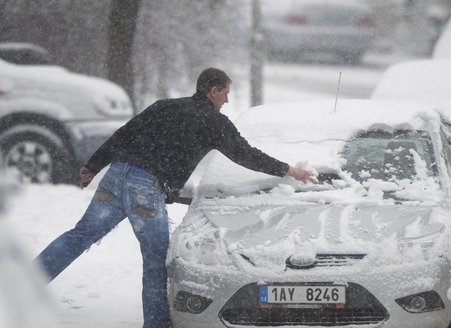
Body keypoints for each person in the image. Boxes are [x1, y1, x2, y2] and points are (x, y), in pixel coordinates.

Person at [34, 67, 315, 328]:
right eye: (226, 92)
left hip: (117, 174)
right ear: (213, 91)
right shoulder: (214, 121)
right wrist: (289, 170)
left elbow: (125, 134)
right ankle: (156, 324)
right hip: (146, 187)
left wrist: (93, 165)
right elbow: (245, 154)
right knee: (157, 258)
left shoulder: (165, 106)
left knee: (80, 235)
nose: (227, 100)